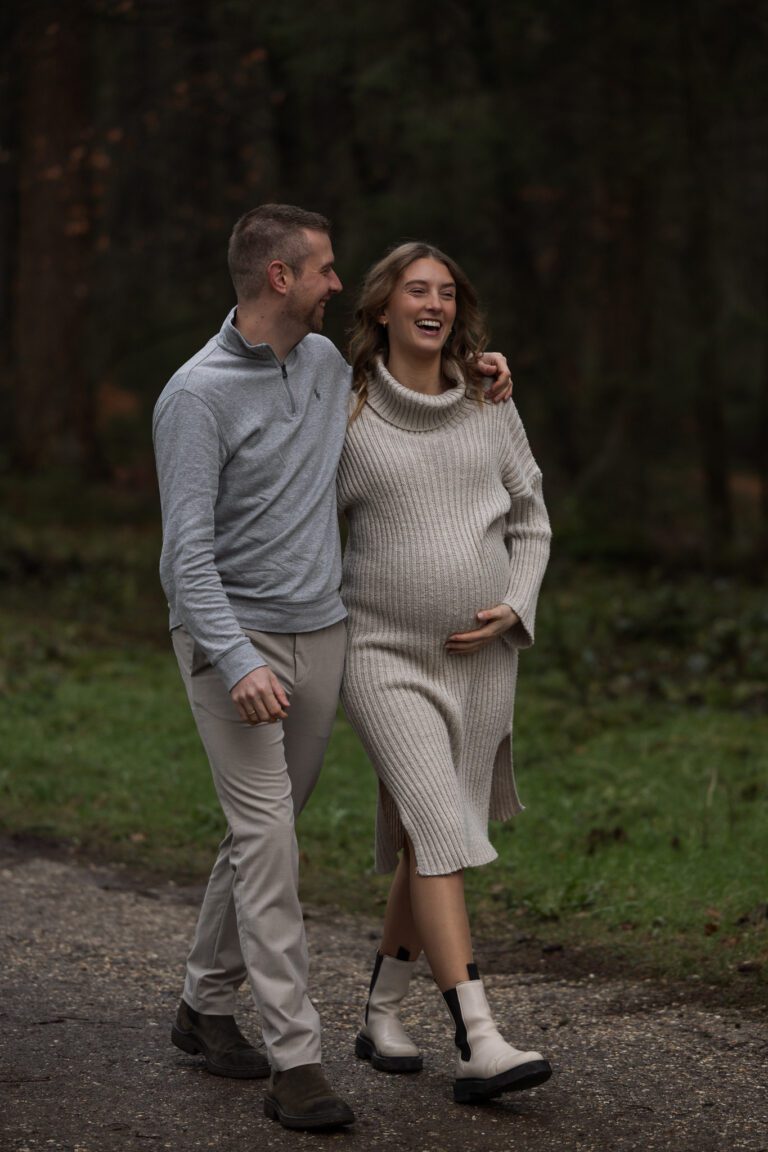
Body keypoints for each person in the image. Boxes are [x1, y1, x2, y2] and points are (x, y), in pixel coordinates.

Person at [152, 205, 513, 1131]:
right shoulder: (194, 397)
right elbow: (183, 560)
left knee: (264, 831)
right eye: (323, 269)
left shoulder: (323, 369)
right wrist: (235, 660)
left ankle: (201, 1002)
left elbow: (412, 394)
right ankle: (297, 1059)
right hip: (235, 646)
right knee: (272, 846)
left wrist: (482, 370)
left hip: (322, 637)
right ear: (280, 277)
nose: (338, 283)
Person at [337, 242, 553, 1106]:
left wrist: (515, 604)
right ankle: (480, 1037)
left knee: (431, 837)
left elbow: (532, 519)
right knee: (437, 822)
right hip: (380, 656)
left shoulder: (488, 401)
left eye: (447, 293)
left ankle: (382, 1015)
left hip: (481, 663)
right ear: (382, 308)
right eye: (415, 291)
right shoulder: (343, 411)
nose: (434, 303)